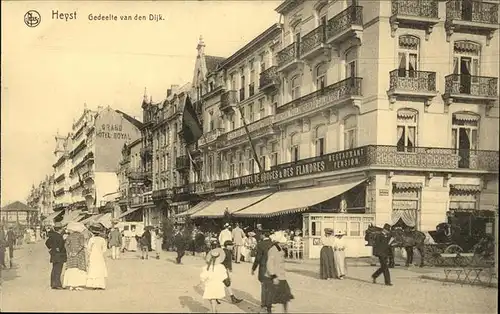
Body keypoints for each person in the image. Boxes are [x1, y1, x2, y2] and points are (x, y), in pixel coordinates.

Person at [264, 233, 294, 313]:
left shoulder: (280, 249)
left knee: (286, 295)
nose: (285, 245)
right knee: (271, 296)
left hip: (281, 276)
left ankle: (285, 311)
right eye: (283, 243)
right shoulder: (273, 250)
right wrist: (273, 276)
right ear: (279, 243)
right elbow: (269, 264)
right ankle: (269, 311)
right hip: (274, 276)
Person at [251, 230, 275, 313]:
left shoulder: (260, 244)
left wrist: (253, 268)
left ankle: (264, 305)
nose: (260, 236)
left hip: (264, 268)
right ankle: (269, 306)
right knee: (270, 287)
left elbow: (258, 258)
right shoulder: (274, 244)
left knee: (264, 287)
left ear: (263, 235)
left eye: (261, 234)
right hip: (273, 269)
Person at [200, 248, 229, 314]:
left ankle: (213, 311)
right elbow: (224, 276)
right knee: (213, 298)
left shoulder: (207, 267)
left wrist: (203, 281)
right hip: (219, 285)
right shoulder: (221, 267)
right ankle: (214, 309)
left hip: (210, 285)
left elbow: (203, 276)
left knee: (211, 298)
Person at [63, 226, 87, 290]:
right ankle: (78, 285)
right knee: (78, 269)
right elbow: (82, 245)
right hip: (79, 255)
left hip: (71, 255)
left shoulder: (70, 236)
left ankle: (71, 285)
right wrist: (76, 252)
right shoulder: (81, 236)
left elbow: (66, 245)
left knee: (71, 268)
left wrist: (69, 252)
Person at [45, 223, 67, 289]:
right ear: (60, 229)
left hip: (54, 254)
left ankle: (53, 284)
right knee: (58, 269)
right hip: (59, 255)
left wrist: (51, 248)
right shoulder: (59, 236)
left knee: (54, 269)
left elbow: (47, 243)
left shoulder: (52, 235)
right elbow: (60, 246)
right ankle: (57, 284)